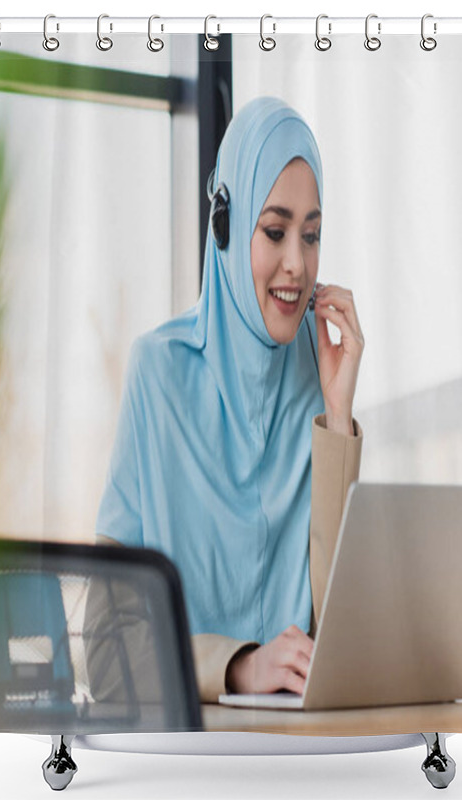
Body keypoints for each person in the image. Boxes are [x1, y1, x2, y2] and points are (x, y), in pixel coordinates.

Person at [85, 97, 365, 705]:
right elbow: (107, 652)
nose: (298, 263)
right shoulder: (158, 373)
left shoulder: (318, 382)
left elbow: (344, 635)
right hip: (187, 766)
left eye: (312, 235)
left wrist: (338, 418)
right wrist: (239, 667)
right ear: (226, 226)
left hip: (305, 760)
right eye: (275, 230)